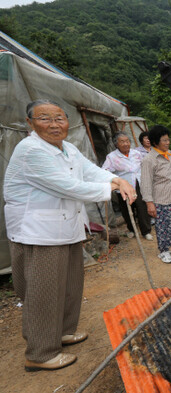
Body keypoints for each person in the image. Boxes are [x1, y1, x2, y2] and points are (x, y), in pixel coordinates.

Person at [3, 99, 136, 371]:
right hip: (38, 233)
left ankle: (62, 332)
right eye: (45, 118)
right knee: (43, 291)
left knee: (69, 285)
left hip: (66, 228)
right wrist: (109, 189)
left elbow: (90, 171)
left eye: (60, 118)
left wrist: (116, 179)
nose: (54, 124)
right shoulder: (30, 151)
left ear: (67, 121)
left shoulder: (69, 148)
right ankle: (40, 353)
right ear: (30, 123)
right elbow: (67, 186)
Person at [140, 125, 171, 263]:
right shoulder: (149, 160)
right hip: (162, 200)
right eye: (164, 140)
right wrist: (149, 203)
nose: (168, 143)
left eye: (168, 140)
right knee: (164, 228)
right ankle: (164, 251)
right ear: (155, 142)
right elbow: (146, 183)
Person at [102, 133, 153, 240]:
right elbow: (105, 171)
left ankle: (146, 231)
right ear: (116, 144)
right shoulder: (112, 157)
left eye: (127, 141)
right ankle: (132, 230)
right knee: (126, 208)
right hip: (123, 185)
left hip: (139, 183)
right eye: (122, 141)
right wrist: (115, 181)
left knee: (142, 207)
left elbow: (145, 166)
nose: (126, 144)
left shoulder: (136, 153)